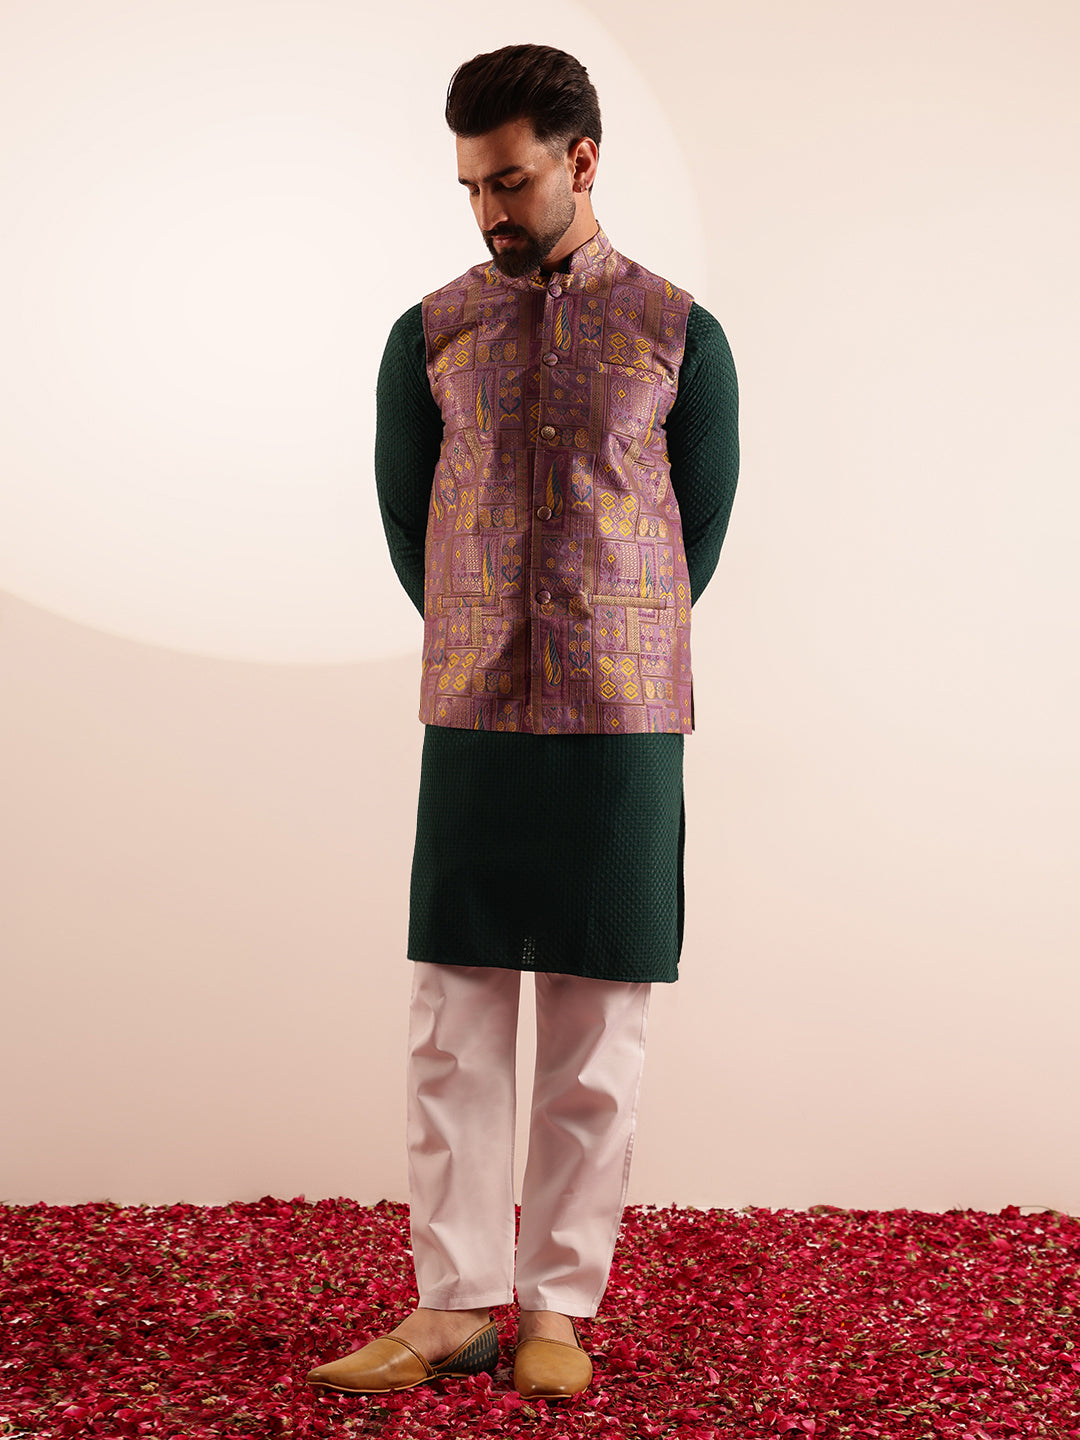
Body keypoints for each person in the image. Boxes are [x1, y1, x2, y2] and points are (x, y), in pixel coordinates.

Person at [306, 42, 739, 1401]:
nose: (490, 209)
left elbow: (697, 531)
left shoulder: (679, 334)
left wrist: (605, 628)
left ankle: (555, 1307)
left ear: (581, 160)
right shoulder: (429, 337)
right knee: (456, 1013)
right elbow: (408, 524)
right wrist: (488, 624)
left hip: (623, 717)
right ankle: (451, 1307)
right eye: (472, 187)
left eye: (509, 181)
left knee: (599, 1023)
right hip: (476, 707)